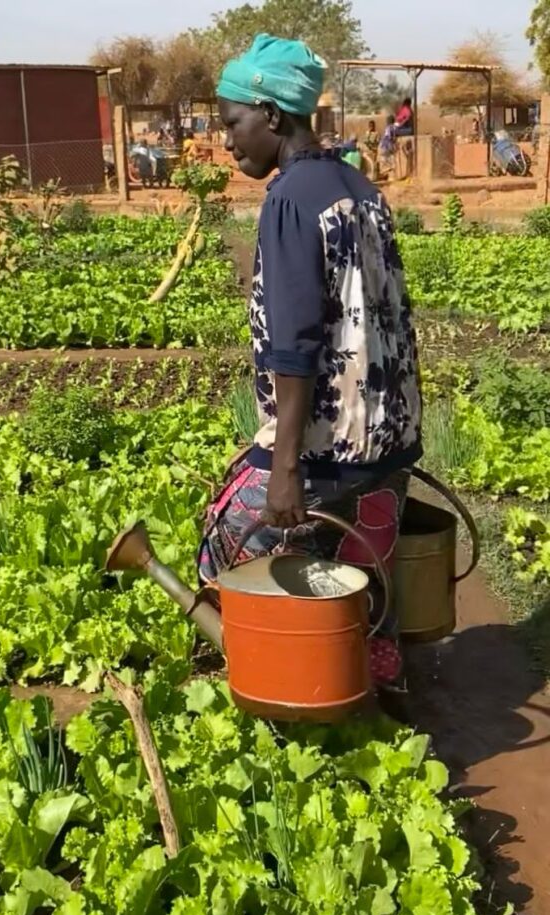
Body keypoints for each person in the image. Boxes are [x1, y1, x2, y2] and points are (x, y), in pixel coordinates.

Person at [201, 33, 422, 689]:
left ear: (272, 114)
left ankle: (287, 692)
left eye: (233, 124)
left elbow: (294, 345)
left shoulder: (291, 199)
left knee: (222, 546)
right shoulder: (357, 186)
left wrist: (286, 468)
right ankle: (376, 695)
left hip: (325, 448)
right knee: (369, 584)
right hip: (387, 443)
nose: (229, 142)